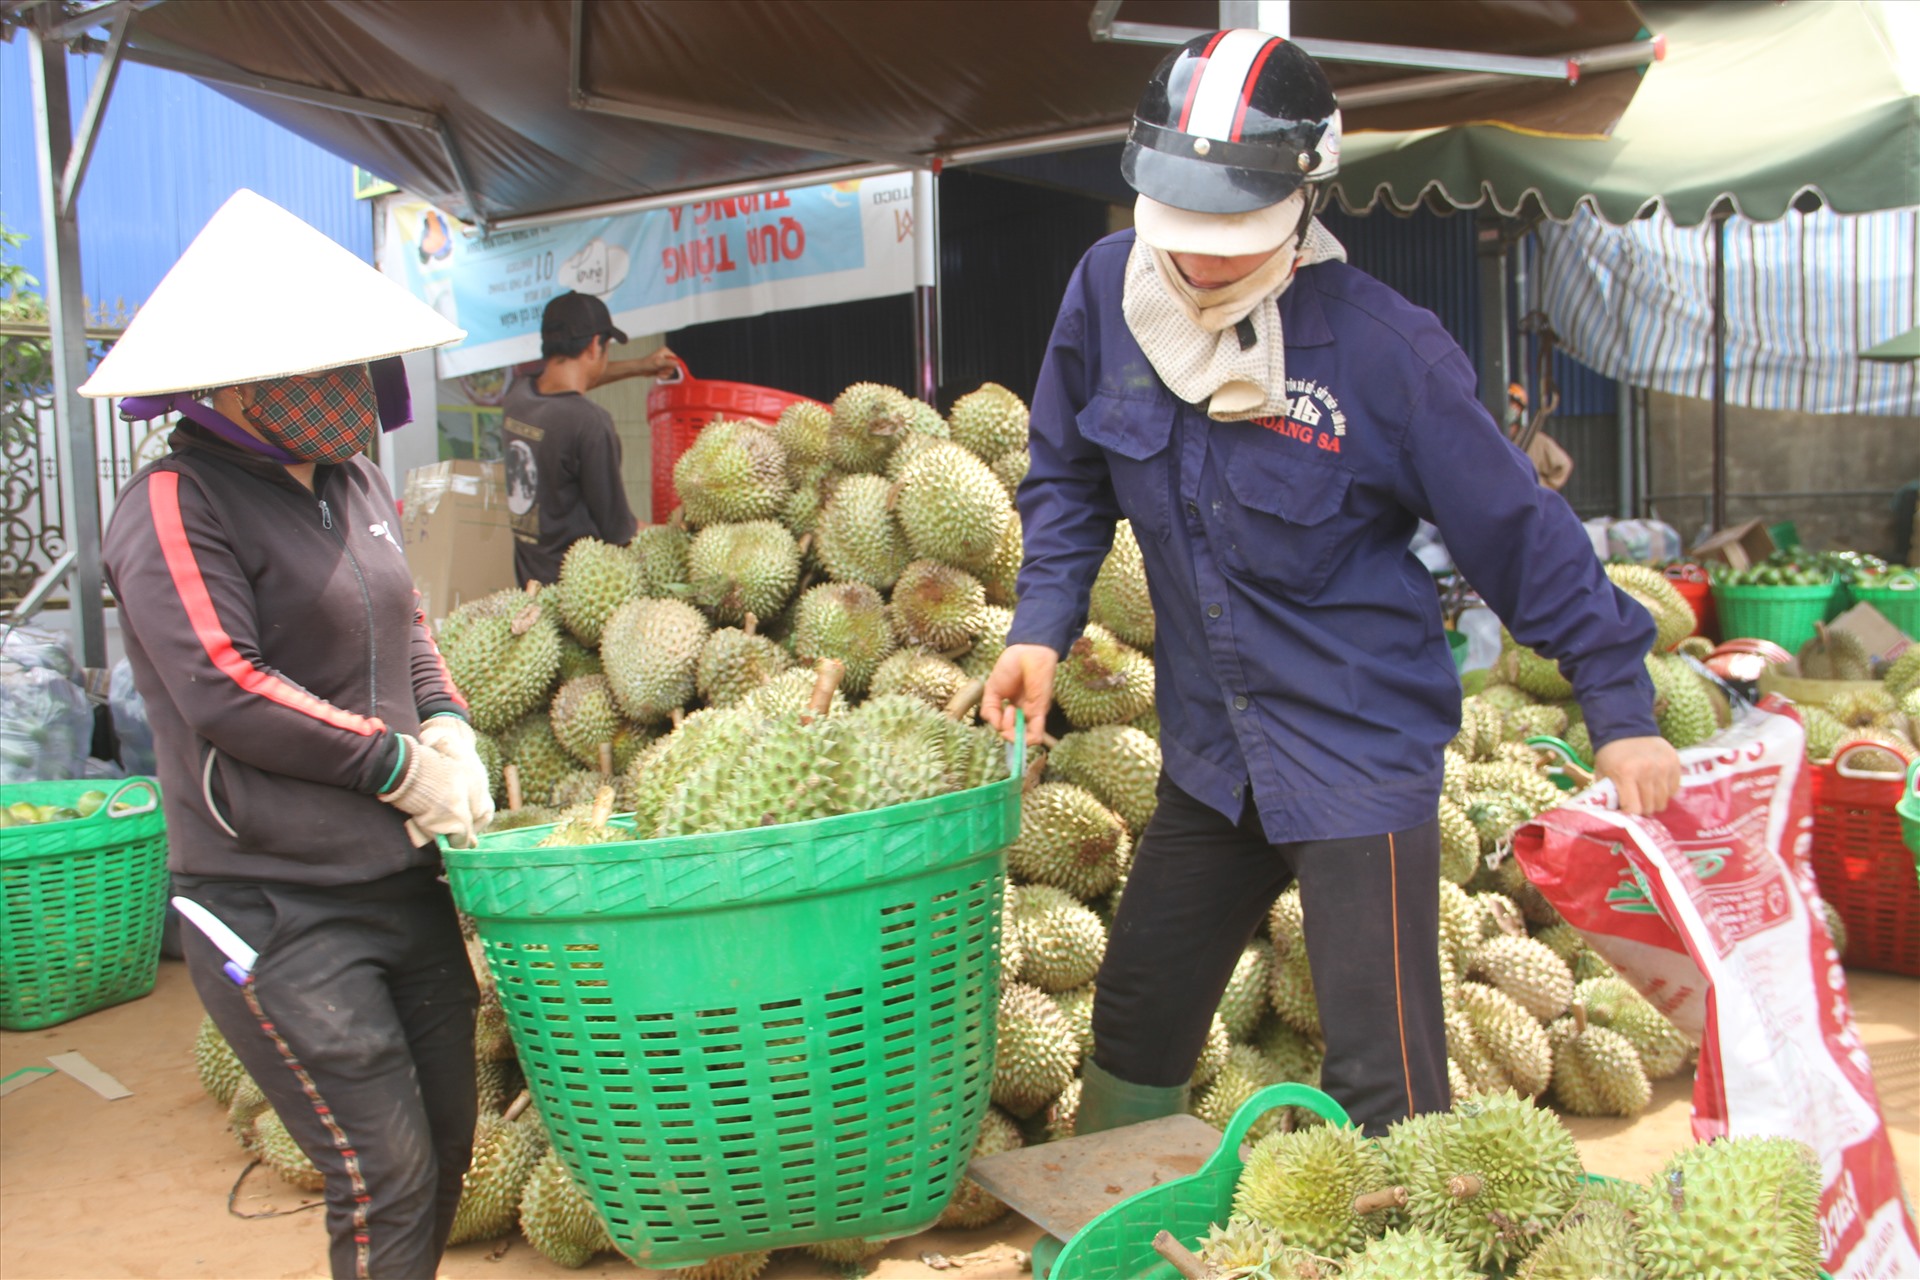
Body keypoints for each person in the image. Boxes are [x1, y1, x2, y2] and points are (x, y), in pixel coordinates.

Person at [982, 32, 1682, 1141]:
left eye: (1233, 229)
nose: (1204, 258)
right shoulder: (1107, 296)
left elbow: (1516, 530)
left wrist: (1622, 705)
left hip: (1358, 751)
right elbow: (1067, 473)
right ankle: (1117, 1240)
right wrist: (1041, 625)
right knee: (1136, 1016)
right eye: (1184, 227)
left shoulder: (1382, 351)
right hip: (1215, 757)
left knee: (1385, 1070)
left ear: (1302, 195)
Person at [88, 189, 495, 1280]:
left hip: (403, 883)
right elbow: (224, 682)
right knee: (384, 1176)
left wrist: (448, 722)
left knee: (446, 1152)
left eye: (354, 366)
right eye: (318, 372)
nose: (351, 393)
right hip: (273, 903)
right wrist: (394, 760)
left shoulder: (356, 480)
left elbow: (406, 623)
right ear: (234, 385)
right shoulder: (175, 502)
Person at [501, 291, 677, 586]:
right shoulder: (591, 423)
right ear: (596, 345)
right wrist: (677, 536)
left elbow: (575, 381)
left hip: (530, 585)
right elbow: (620, 531)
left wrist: (641, 366)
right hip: (578, 594)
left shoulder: (518, 396)